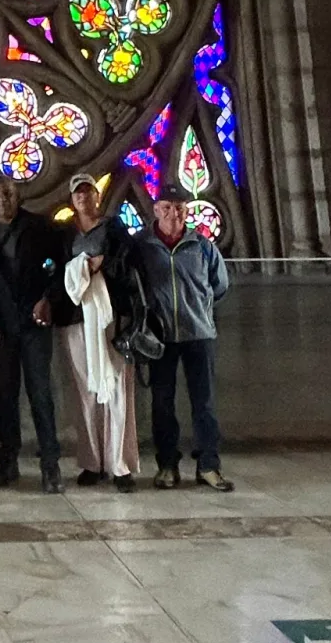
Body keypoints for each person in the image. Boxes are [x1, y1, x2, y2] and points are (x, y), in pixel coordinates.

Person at [135, 185, 233, 492]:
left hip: (198, 334)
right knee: (163, 403)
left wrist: (198, 310)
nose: (173, 213)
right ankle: (167, 465)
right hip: (160, 336)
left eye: (179, 208)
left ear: (186, 211)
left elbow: (219, 285)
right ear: (155, 209)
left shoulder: (202, 245)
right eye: (166, 207)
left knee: (204, 403)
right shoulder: (142, 245)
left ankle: (209, 465)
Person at [0, 177, 64, 494]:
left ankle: (50, 465)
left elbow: (58, 267)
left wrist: (48, 299)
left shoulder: (40, 228)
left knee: (41, 395)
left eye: (8, 194)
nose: (2, 199)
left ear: (19, 196)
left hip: (34, 324)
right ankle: (8, 460)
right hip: (1, 327)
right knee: (5, 397)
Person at [56, 173, 140, 492]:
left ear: (97, 196)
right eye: (77, 193)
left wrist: (102, 266)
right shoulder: (65, 234)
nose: (83, 197)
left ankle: (120, 464)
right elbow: (54, 270)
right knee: (86, 391)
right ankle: (92, 462)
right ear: (71, 199)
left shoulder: (114, 228)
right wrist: (83, 269)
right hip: (75, 319)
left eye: (88, 192)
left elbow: (126, 264)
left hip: (111, 318)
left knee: (117, 389)